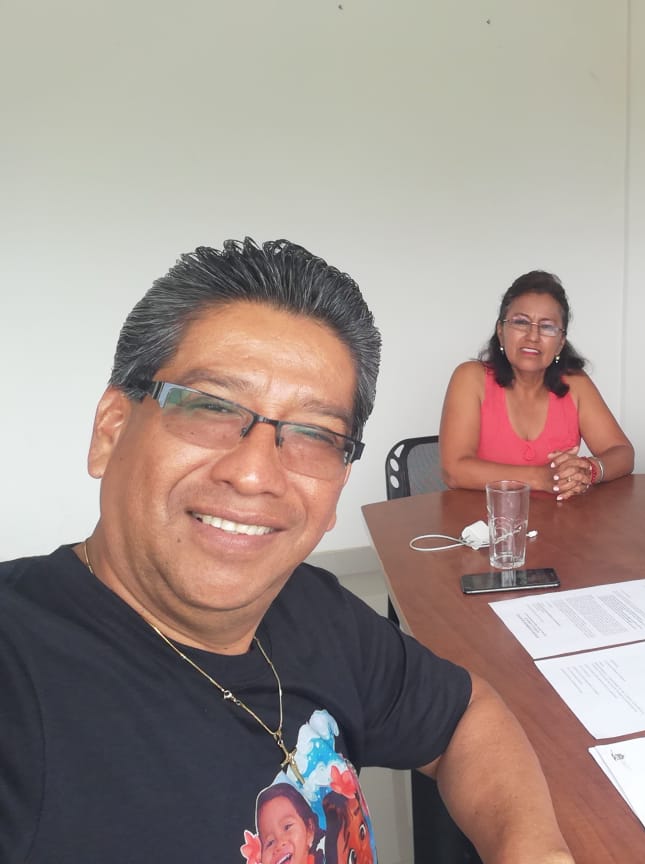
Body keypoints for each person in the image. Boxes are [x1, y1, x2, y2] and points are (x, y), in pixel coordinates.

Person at [0, 238, 574, 864]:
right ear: (111, 431)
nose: (254, 474)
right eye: (211, 407)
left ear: (337, 489)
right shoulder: (21, 672)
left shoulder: (309, 606)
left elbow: (465, 717)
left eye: (314, 434)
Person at [439, 270, 634, 500]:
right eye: (521, 322)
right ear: (501, 332)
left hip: (562, 520)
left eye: (547, 327)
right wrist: (540, 478)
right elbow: (454, 470)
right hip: (483, 519)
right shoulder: (470, 378)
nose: (533, 336)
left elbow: (622, 453)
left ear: (560, 343)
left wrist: (589, 470)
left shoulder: (575, 383)